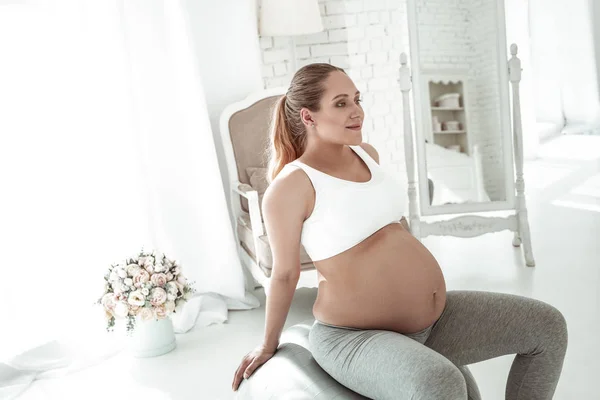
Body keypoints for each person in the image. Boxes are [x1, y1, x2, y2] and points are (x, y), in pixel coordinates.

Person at [231, 63, 568, 399]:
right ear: (308, 117)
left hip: (431, 321)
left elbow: (395, 231)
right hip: (353, 336)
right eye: (341, 103)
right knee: (441, 383)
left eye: (357, 99)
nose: (356, 111)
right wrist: (267, 343)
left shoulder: (368, 155)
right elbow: (285, 274)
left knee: (546, 328)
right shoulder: (292, 185)